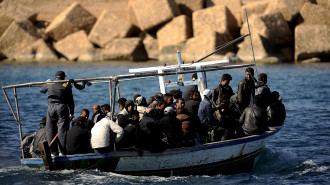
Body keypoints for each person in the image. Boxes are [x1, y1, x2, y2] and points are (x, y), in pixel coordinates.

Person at [40, 71, 75, 157]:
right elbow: (70, 100)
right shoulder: (66, 84)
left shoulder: (50, 83)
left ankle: (53, 152)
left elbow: (41, 90)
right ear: (63, 77)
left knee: (50, 129)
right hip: (62, 107)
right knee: (62, 130)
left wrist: (46, 82)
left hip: (51, 107)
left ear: (55, 77)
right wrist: (72, 112)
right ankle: (61, 152)